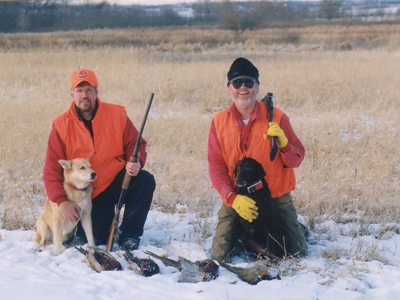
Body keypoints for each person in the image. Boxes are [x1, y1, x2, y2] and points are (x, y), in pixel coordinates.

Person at [43, 69, 155, 251]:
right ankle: (96, 225)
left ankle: (130, 236)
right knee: (98, 239)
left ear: (96, 92)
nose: (84, 95)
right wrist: (61, 201)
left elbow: (136, 144)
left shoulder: (117, 114)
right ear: (72, 94)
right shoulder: (61, 126)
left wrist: (137, 162)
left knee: (144, 180)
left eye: (88, 90)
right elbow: (51, 171)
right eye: (79, 91)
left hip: (116, 181)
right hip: (88, 194)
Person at [208, 57, 308, 261]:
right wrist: (232, 198)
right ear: (229, 88)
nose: (243, 87)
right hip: (239, 196)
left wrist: (284, 144)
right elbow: (216, 167)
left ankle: (296, 228)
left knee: (297, 252)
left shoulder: (278, 117)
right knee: (219, 254)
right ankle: (246, 238)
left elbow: (296, 159)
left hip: (275, 197)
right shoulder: (218, 121)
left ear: (257, 87)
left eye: (249, 82)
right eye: (237, 82)